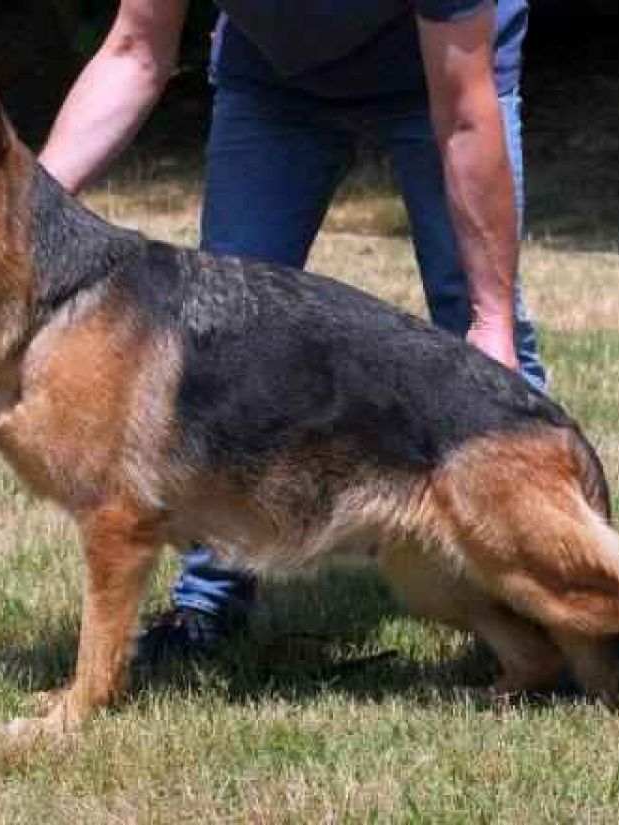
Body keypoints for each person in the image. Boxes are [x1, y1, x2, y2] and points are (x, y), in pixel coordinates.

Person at [39, 0, 545, 661]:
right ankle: (208, 600)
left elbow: (464, 113)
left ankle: (551, 606)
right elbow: (135, 50)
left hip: (443, 76)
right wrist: (27, 207)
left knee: (480, 333)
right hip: (275, 80)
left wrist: (492, 318)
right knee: (219, 339)